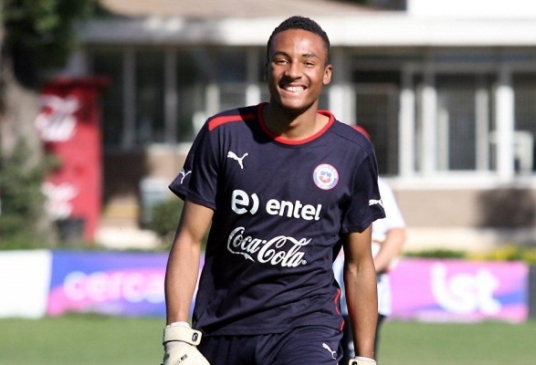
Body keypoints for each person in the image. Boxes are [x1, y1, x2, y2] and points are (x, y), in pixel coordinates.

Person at [161, 16, 385, 365]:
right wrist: (176, 333)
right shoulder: (223, 134)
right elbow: (189, 239)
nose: (294, 72)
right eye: (282, 60)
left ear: (326, 74)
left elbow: (359, 264)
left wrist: (366, 357)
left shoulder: (352, 151)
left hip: (307, 328)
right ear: (267, 69)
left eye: (308, 62)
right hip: (222, 327)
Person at [333, 125, 407, 364]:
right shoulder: (325, 178)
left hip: (361, 297)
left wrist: (370, 271)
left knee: (355, 356)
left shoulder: (377, 185)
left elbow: (396, 233)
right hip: (327, 298)